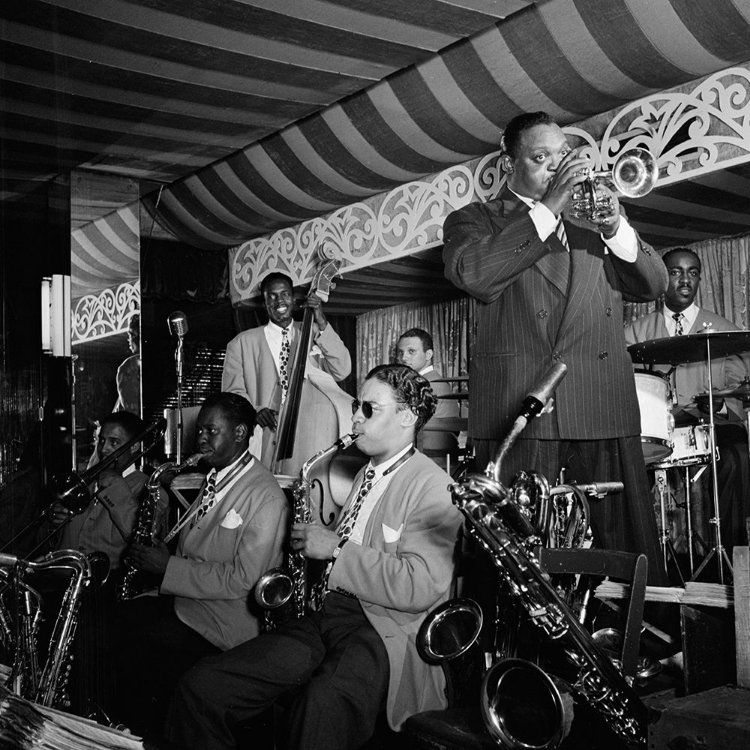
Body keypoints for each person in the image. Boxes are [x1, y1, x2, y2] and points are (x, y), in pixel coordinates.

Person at [164, 365, 462, 750]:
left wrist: (335, 550)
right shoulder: (364, 473)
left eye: (370, 409)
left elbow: (419, 587)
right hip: (324, 614)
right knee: (203, 686)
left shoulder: (435, 486)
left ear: (406, 417)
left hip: (384, 628)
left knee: (322, 707)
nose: (355, 416)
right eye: (357, 405)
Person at [442, 110, 668, 583]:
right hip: (520, 409)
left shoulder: (593, 218)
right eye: (540, 157)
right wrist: (547, 210)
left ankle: (635, 649)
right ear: (510, 164)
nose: (554, 165)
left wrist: (614, 227)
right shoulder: (474, 219)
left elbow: (653, 284)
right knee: (520, 562)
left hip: (600, 400)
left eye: (560, 155)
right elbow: (475, 276)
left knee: (626, 556)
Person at [113, 392, 288, 735]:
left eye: (211, 431)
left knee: (130, 632)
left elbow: (242, 580)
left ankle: (144, 732)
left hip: (225, 622)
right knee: (115, 617)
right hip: (189, 603)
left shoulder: (266, 496)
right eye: (200, 432)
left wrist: (167, 569)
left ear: (240, 433)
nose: (201, 439)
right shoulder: (217, 478)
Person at [624, 247, 750, 554]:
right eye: (676, 272)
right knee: (623, 464)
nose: (685, 280)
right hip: (657, 426)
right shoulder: (634, 333)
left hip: (709, 422)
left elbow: (740, 389)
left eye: (692, 272)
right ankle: (644, 558)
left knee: (737, 455)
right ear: (662, 279)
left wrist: (719, 406)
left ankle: (733, 555)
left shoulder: (726, 332)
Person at [222, 272, 352, 475]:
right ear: (264, 303)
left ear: (293, 299)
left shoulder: (312, 333)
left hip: (307, 433)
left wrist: (321, 320)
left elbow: (342, 369)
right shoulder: (241, 343)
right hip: (263, 437)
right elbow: (232, 394)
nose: (279, 301)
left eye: (284, 294)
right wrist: (255, 410)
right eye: (271, 296)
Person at [396, 327, 460, 465]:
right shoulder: (434, 380)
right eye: (401, 352)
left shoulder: (425, 384)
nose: (404, 358)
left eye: (411, 351)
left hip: (429, 459)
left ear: (428, 354)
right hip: (441, 457)